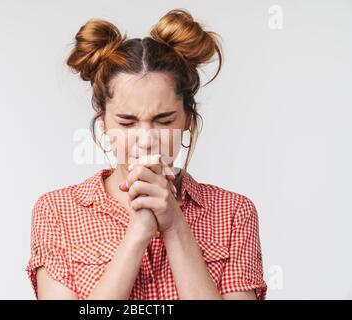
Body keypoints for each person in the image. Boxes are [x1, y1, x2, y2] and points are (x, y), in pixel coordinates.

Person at [26, 8, 267, 300]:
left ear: (187, 119)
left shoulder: (233, 213)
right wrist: (138, 233)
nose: (146, 140)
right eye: (127, 122)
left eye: (164, 121)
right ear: (103, 121)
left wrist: (174, 223)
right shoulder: (57, 211)